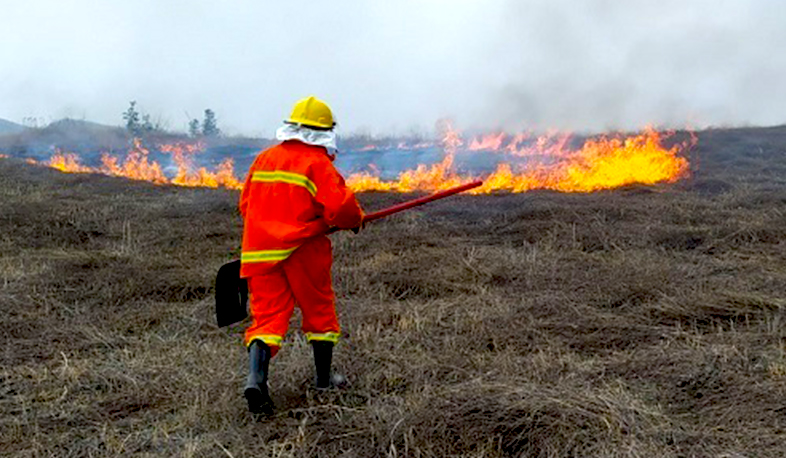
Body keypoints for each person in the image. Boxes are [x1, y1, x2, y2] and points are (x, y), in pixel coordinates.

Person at [238, 96, 364, 416]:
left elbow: (245, 206)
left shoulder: (264, 159)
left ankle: (256, 381)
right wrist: (354, 220)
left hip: (259, 252)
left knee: (267, 319)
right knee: (319, 308)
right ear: (325, 133)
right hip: (302, 249)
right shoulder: (317, 164)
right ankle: (323, 380)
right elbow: (342, 208)